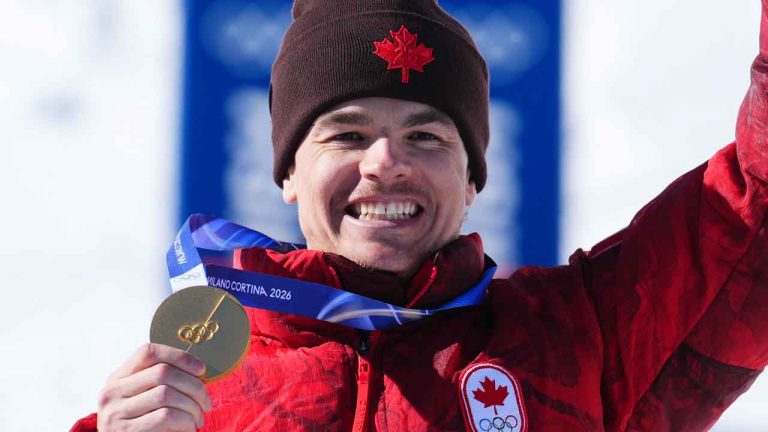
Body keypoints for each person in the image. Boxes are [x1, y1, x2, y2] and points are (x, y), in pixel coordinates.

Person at [72, 0, 768, 431]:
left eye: (427, 137)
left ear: (472, 181)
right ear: (287, 173)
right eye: (346, 134)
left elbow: (754, 211)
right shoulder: (190, 391)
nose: (384, 162)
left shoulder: (586, 339)